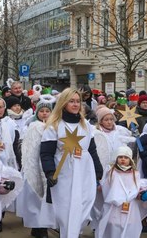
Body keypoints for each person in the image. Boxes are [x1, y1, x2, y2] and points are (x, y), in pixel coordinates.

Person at [40, 88, 103, 237]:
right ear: (63, 103)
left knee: (83, 208)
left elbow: (92, 149)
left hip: (84, 171)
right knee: (66, 212)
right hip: (64, 173)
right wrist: (50, 172)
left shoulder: (86, 125)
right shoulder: (54, 125)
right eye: (71, 101)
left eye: (77, 101)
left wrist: (98, 170)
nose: (75, 104)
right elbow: (46, 153)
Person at [19, 99, 56, 238]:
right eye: (42, 111)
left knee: (46, 197)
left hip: (47, 164)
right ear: (37, 112)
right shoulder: (33, 126)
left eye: (47, 111)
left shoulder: (54, 126)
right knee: (35, 197)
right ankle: (38, 226)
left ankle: (43, 225)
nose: (45, 114)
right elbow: (29, 147)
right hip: (35, 164)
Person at [96, 146, 143, 238]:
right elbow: (107, 186)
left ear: (130, 159)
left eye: (126, 158)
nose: (123, 159)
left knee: (128, 224)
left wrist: (130, 196)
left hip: (129, 204)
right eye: (120, 157)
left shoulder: (135, 173)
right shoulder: (111, 171)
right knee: (113, 225)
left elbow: (136, 187)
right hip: (114, 204)